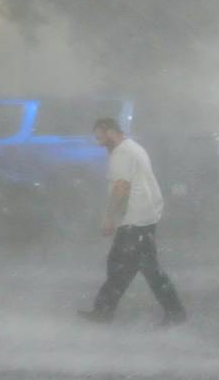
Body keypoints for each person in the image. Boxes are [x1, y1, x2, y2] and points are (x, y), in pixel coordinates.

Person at [78, 117, 186, 326]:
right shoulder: (133, 147)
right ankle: (103, 311)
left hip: (135, 221)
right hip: (142, 217)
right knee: (122, 266)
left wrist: (109, 216)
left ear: (110, 131)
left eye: (100, 137)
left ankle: (175, 314)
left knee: (145, 270)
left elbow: (121, 188)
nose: (99, 142)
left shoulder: (122, 153)